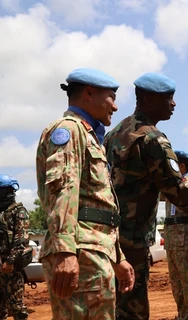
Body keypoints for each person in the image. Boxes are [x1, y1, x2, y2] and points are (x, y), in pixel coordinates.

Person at [103, 72, 188, 319]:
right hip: (133, 239)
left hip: (110, 238)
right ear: (148, 100)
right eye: (169, 98)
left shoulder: (114, 133)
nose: (174, 104)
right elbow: (177, 191)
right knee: (133, 308)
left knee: (114, 306)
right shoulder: (152, 139)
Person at [36, 68, 135, 320]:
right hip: (81, 251)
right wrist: (65, 251)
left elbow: (98, 207)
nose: (115, 106)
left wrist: (117, 257)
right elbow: (63, 192)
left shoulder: (91, 136)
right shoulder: (70, 131)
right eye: (111, 97)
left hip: (93, 249)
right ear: (89, 93)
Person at [164, 150, 188, 320]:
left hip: (187, 245)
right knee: (178, 287)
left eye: (171, 165)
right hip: (173, 245)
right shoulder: (173, 188)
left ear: (181, 166)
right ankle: (183, 316)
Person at [0, 175, 29, 320]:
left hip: (11, 268)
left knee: (17, 309)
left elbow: (21, 240)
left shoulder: (19, 211)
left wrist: (10, 261)